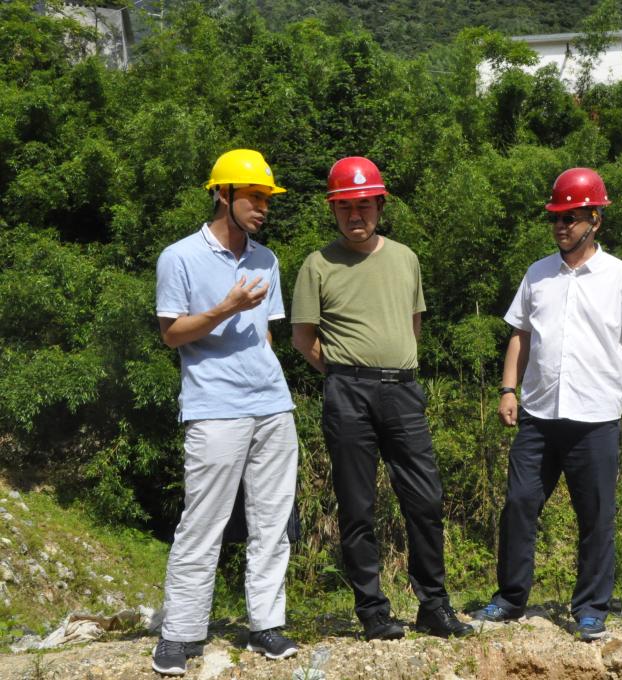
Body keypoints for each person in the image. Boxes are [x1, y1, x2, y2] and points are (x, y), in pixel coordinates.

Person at [290, 156, 472, 641]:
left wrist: (391, 368)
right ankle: (372, 612)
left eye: (364, 206)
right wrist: (347, 372)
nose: (356, 216)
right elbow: (303, 339)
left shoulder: (406, 258)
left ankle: (433, 606)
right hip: (347, 392)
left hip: (403, 390)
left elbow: (412, 324)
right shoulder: (317, 264)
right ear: (333, 210)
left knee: (426, 499)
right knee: (357, 506)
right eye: (345, 207)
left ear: (380, 206)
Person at [473, 167, 622, 642]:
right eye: (555, 217)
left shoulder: (618, 276)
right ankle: (511, 598)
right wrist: (507, 389)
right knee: (519, 504)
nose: (560, 226)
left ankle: (591, 607)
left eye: (570, 218)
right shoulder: (538, 274)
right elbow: (521, 335)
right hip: (538, 415)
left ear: (595, 220)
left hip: (595, 418)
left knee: (595, 515)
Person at [153, 149, 300, 675]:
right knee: (203, 521)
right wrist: (223, 309)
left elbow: (265, 333)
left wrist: (269, 377)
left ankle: (266, 625)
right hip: (214, 407)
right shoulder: (179, 257)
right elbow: (172, 334)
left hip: (273, 404)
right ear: (223, 194)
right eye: (254, 197)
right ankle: (180, 633)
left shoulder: (267, 260)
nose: (263, 207)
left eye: (266, 198)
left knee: (273, 523)